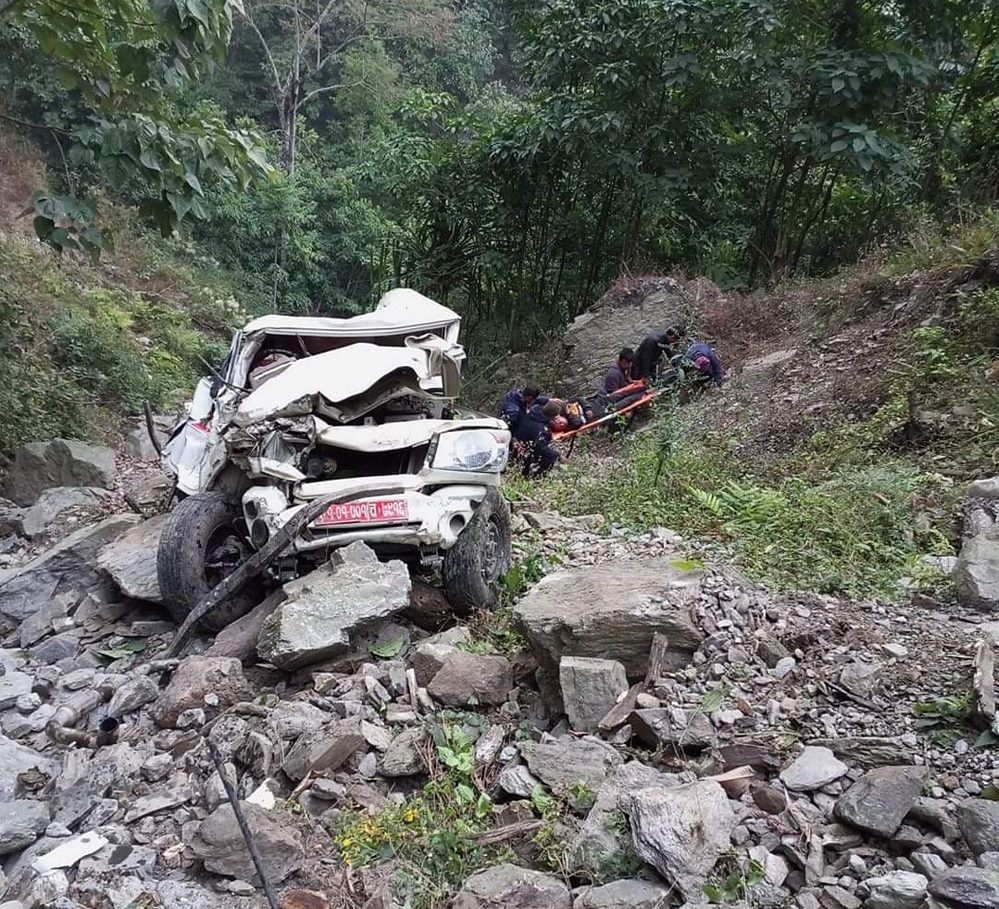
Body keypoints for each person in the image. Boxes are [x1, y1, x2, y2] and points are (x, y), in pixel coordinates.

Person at [512, 400, 566, 477]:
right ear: (551, 416)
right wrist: (558, 456)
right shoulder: (541, 430)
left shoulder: (534, 411)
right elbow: (541, 449)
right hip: (523, 452)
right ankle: (536, 476)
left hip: (516, 442)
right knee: (549, 458)